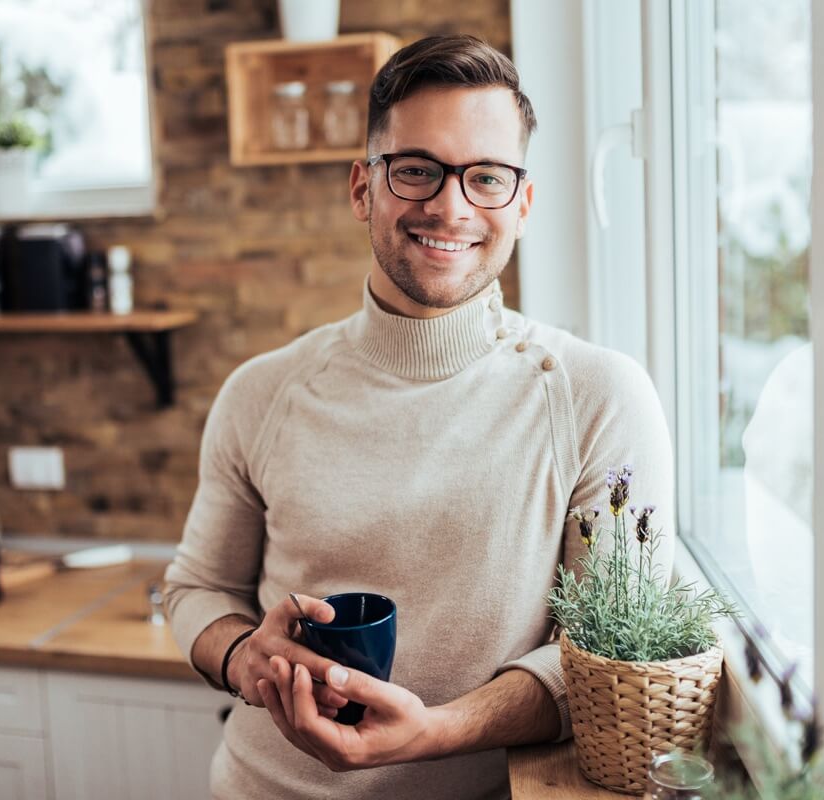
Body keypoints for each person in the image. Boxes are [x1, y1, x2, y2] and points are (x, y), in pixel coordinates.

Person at [163, 33, 673, 800]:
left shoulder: (598, 396)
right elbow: (196, 589)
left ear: (523, 203)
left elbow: (608, 664)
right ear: (363, 188)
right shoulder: (260, 393)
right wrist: (245, 659)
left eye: (487, 177)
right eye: (416, 170)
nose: (450, 205)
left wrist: (436, 731)